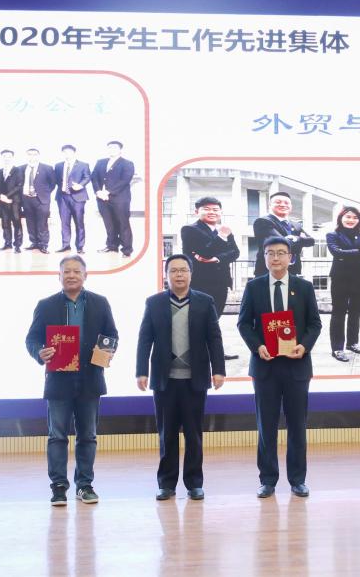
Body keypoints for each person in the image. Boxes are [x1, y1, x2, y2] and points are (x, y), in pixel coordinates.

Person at [26, 256, 119, 506]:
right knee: (57, 436)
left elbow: (111, 335)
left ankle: (84, 485)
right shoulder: (46, 305)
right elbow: (32, 339)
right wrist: (39, 352)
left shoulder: (100, 303)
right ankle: (58, 487)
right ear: (59, 276)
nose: (71, 275)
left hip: (90, 379)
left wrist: (106, 352)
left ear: (85, 275)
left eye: (76, 271)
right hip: (59, 381)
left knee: (87, 436)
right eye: (66, 271)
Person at [136, 254, 226, 501]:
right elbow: (145, 338)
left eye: (183, 270)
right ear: (166, 275)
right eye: (173, 270)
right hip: (164, 381)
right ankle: (166, 484)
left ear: (190, 274)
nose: (178, 274)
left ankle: (194, 483)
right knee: (167, 434)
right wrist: (141, 371)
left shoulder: (205, 302)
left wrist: (218, 370)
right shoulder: (154, 303)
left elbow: (214, 338)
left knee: (194, 434)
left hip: (194, 380)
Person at [237, 236, 322, 498]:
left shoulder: (304, 287)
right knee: (266, 425)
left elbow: (314, 324)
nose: (276, 258)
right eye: (270, 253)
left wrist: (304, 346)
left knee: (297, 425)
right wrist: (257, 346)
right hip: (266, 367)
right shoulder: (254, 287)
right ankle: (267, 480)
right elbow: (244, 323)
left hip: (297, 367)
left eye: (281, 253)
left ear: (290, 257)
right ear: (264, 257)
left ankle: (298, 479)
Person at [180, 197, 241, 360]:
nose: (212, 212)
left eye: (215, 209)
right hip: (200, 282)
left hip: (221, 282)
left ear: (221, 212)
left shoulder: (224, 229)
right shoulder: (190, 229)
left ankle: (213, 351)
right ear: (196, 211)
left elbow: (235, 252)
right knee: (199, 319)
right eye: (206, 209)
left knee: (214, 318)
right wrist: (220, 237)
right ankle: (195, 353)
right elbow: (204, 251)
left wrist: (217, 258)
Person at [325, 206, 360, 361]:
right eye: (348, 216)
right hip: (340, 278)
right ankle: (337, 348)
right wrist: (358, 252)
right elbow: (336, 252)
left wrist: (347, 253)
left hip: (359, 278)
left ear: (359, 220)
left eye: (355, 217)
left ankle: (352, 343)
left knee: (355, 312)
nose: (351, 220)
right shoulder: (333, 235)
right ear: (341, 218)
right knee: (338, 312)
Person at [251, 192, 315, 276]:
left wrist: (296, 239)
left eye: (286, 203)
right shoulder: (263, 222)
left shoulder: (296, 225)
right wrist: (300, 243)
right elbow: (281, 244)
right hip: (268, 272)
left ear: (291, 206)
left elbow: (311, 241)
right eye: (278, 202)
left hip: (292, 271)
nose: (283, 205)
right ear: (270, 205)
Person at [91, 140, 135, 257]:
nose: (112, 149)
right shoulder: (100, 162)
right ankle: (112, 246)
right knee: (109, 224)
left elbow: (125, 180)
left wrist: (108, 191)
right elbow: (94, 177)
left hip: (120, 199)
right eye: (109, 147)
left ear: (120, 150)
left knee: (123, 224)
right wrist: (98, 191)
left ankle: (127, 250)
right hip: (102, 198)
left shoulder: (127, 163)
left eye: (114, 147)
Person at [54, 144, 91, 254]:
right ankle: (65, 245)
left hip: (78, 197)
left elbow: (87, 177)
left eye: (69, 152)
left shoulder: (83, 165)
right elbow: (56, 180)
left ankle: (80, 246)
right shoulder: (58, 165)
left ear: (74, 152)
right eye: (65, 152)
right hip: (62, 197)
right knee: (64, 223)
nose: (67, 154)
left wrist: (80, 185)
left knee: (79, 223)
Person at [20, 148, 56, 254]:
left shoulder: (47, 168)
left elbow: (52, 183)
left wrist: (44, 193)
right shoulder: (21, 168)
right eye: (29, 154)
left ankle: (43, 244)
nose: (32, 156)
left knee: (42, 223)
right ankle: (34, 242)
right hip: (27, 199)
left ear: (38, 156)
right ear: (27, 156)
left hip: (41, 200)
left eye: (34, 154)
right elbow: (19, 183)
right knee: (30, 222)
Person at [0, 149, 24, 252]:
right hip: (2, 202)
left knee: (16, 222)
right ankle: (7, 243)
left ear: (12, 157)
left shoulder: (18, 170)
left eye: (9, 156)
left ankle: (17, 245)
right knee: (5, 223)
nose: (6, 158)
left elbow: (19, 185)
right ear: (2, 158)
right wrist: (0, 197)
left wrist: (7, 196)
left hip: (14, 202)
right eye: (4, 156)